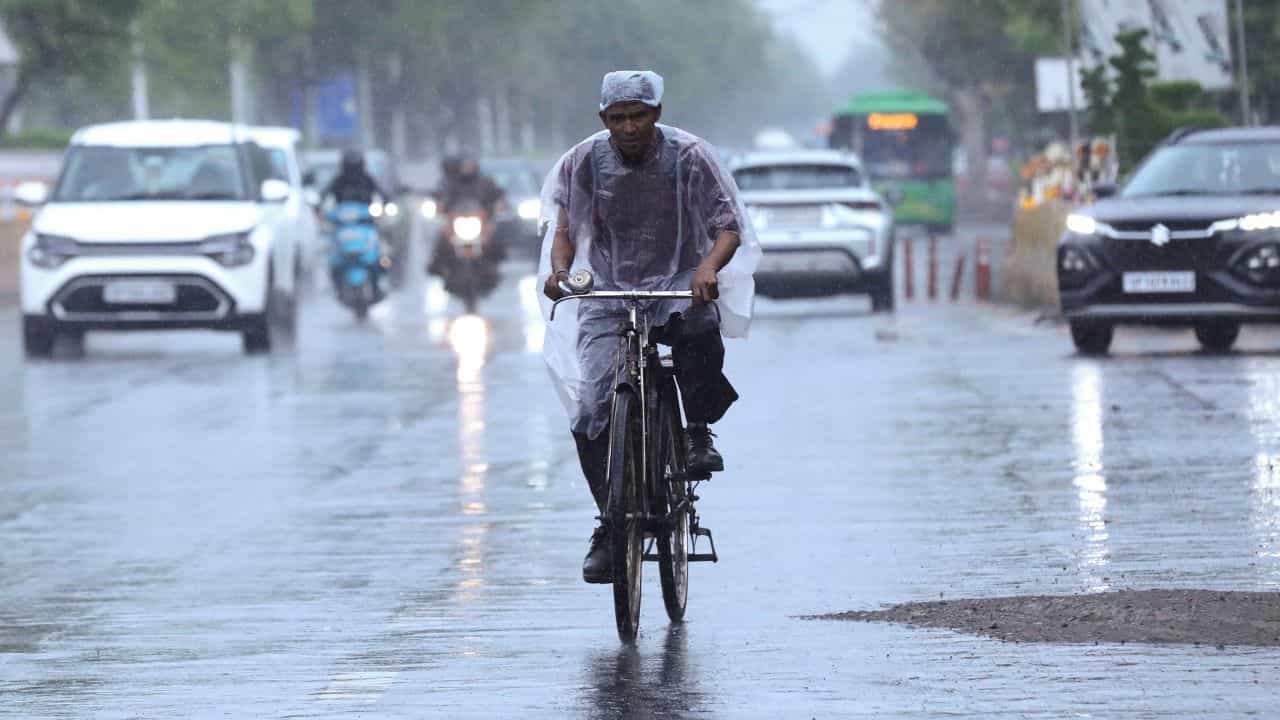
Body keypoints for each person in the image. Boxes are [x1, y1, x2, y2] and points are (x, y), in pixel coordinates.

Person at [539, 70, 760, 583]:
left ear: (656, 113)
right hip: (609, 288)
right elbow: (566, 228)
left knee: (698, 328)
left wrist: (708, 269)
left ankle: (696, 430)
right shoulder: (584, 161)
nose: (629, 127)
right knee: (590, 409)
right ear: (604, 120)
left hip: (677, 281)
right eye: (618, 118)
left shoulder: (689, 156)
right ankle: (611, 526)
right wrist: (559, 273)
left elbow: (728, 226)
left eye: (638, 115)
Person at [322, 149, 388, 205]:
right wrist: (320, 201)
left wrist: (387, 200)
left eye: (355, 169)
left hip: (366, 213)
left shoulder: (366, 179)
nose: (353, 173)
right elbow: (326, 192)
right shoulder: (340, 180)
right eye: (350, 169)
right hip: (341, 213)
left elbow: (379, 190)